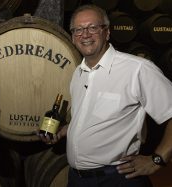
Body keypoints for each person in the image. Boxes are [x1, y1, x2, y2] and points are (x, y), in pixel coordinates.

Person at [39, 4, 172, 187]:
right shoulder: (79, 73)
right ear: (72, 37)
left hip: (116, 178)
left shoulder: (137, 69)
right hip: (77, 179)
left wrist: (157, 160)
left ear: (107, 32)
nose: (85, 35)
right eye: (78, 29)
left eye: (93, 27)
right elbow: (96, 116)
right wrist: (66, 130)